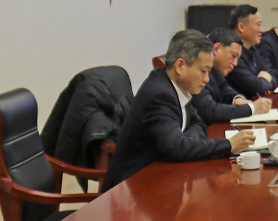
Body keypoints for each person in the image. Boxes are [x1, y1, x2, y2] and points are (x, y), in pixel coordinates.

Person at [102, 30, 255, 192]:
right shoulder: (159, 94)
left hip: (159, 176)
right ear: (180, 66)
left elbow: (197, 124)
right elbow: (176, 148)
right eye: (203, 71)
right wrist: (229, 144)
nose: (206, 79)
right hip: (130, 188)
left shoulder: (176, 85)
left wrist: (187, 141)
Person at [191, 28, 272, 125]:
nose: (235, 63)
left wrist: (237, 99)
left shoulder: (215, 72)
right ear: (216, 48)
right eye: (233, 56)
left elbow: (225, 89)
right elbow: (210, 111)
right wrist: (252, 108)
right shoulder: (198, 71)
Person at [225, 4, 277, 97]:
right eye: (258, 25)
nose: (262, 30)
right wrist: (263, 81)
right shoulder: (232, 55)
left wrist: (263, 80)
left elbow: (271, 75)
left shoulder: (252, 49)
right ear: (241, 27)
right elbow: (256, 87)